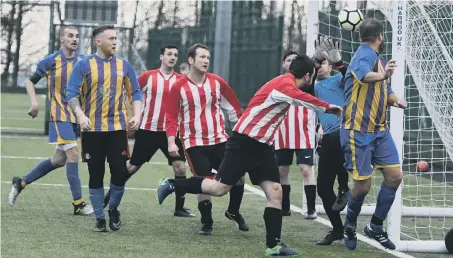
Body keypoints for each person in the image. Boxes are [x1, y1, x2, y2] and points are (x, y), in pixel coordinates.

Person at [157, 54, 343, 256]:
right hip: (244, 142)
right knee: (219, 189)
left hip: (262, 146)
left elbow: (304, 90)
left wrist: (314, 69)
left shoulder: (288, 81)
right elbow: (302, 97)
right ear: (306, 76)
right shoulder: (284, 85)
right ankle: (172, 184)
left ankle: (273, 245)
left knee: (275, 191)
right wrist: (328, 107)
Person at [8, 25, 93, 216]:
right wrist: (34, 103)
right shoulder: (51, 61)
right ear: (61, 39)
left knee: (58, 159)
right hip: (59, 115)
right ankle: (78, 204)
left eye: (77, 36)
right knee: (73, 155)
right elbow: (30, 81)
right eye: (70, 35)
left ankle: (21, 182)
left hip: (74, 116)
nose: (74, 39)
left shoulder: (83, 61)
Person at [164, 43, 248, 235]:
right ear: (191, 60)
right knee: (204, 182)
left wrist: (242, 133)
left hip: (220, 140)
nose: (206, 61)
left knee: (239, 177)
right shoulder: (178, 87)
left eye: (208, 58)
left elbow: (233, 108)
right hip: (194, 143)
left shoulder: (217, 82)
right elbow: (170, 117)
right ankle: (207, 222)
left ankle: (233, 211)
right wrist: (170, 141)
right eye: (202, 57)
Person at [66, 24, 143, 232]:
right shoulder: (83, 66)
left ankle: (114, 209)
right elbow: (71, 94)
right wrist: (80, 115)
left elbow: (136, 93)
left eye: (116, 38)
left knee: (119, 173)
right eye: (111, 38)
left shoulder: (124, 66)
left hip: (118, 130)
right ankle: (100, 218)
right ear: (98, 42)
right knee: (96, 174)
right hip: (92, 131)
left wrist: (137, 115)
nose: (115, 41)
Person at [102, 45, 193, 217]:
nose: (172, 57)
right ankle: (108, 197)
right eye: (169, 54)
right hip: (147, 131)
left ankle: (179, 208)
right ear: (161, 57)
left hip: (171, 134)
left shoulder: (182, 80)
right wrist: (131, 117)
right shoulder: (148, 77)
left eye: (175, 55)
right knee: (132, 167)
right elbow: (131, 94)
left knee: (180, 168)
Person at [340, 19, 407, 250]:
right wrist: (384, 75)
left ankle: (375, 227)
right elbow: (363, 76)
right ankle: (349, 225)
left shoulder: (377, 59)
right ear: (380, 36)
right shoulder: (363, 55)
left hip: (379, 131)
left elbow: (384, 90)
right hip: (357, 132)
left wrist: (396, 100)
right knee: (363, 187)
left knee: (395, 177)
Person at [310, 39, 350, 245]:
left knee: (334, 139)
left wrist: (340, 62)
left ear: (330, 65)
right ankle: (337, 229)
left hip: (345, 132)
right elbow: (303, 81)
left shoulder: (337, 80)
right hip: (328, 138)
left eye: (324, 62)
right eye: (319, 64)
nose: (320, 66)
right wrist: (314, 60)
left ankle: (344, 188)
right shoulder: (313, 88)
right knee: (323, 188)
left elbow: (352, 78)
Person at [274, 51, 318, 219]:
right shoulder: (278, 83)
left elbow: (317, 102)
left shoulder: (307, 84)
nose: (292, 62)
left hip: (304, 132)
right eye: (289, 60)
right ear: (284, 64)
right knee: (282, 170)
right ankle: (285, 207)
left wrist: (319, 126)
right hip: (283, 132)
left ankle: (311, 209)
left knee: (306, 169)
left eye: (295, 60)